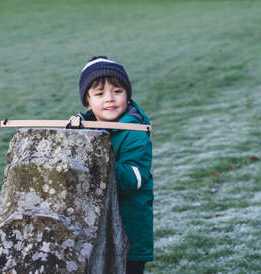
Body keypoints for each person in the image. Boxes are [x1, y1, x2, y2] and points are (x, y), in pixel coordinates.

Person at [76, 56, 154, 274]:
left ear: (127, 96)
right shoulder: (83, 131)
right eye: (99, 94)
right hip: (94, 232)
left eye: (117, 91)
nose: (109, 99)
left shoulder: (135, 132)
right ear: (88, 102)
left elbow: (133, 180)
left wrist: (100, 155)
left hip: (129, 235)